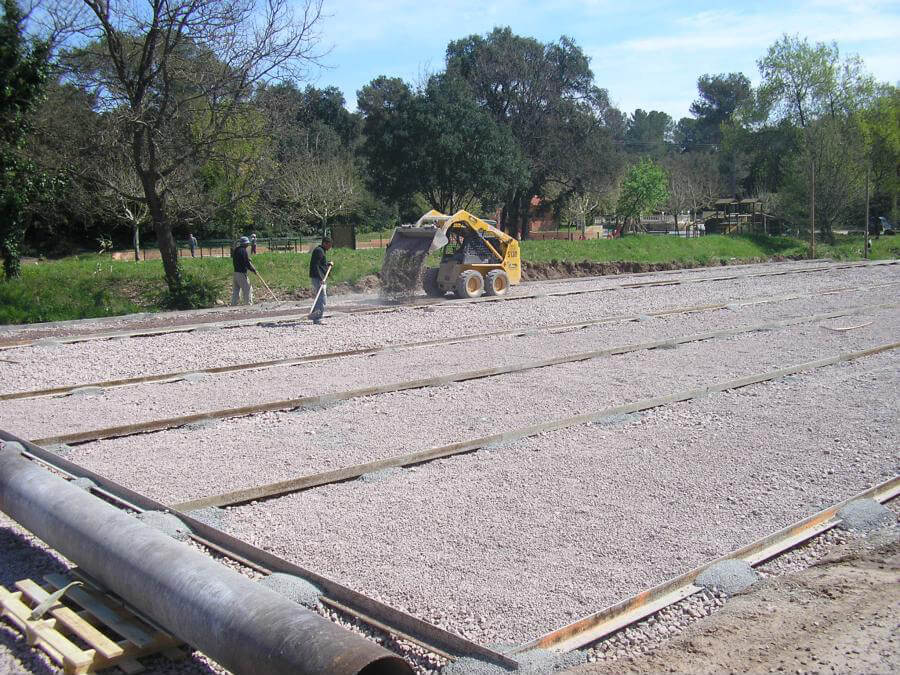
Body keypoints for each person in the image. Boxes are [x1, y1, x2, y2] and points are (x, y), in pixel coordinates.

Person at [308, 237, 333, 324]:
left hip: (319, 277)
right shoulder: (319, 251)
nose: (330, 247)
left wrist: (328, 264)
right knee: (322, 298)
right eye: (329, 245)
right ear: (325, 243)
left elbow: (321, 264)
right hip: (318, 278)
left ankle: (315, 316)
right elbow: (316, 266)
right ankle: (317, 318)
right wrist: (321, 278)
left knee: (320, 297)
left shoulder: (321, 251)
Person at [231, 236, 257, 305]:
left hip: (235, 273)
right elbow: (246, 264)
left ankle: (233, 304)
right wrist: (253, 270)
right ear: (244, 244)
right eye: (247, 243)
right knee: (247, 289)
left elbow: (242, 259)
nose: (248, 244)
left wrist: (247, 258)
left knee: (236, 290)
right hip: (241, 273)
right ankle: (248, 304)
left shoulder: (236, 250)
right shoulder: (243, 251)